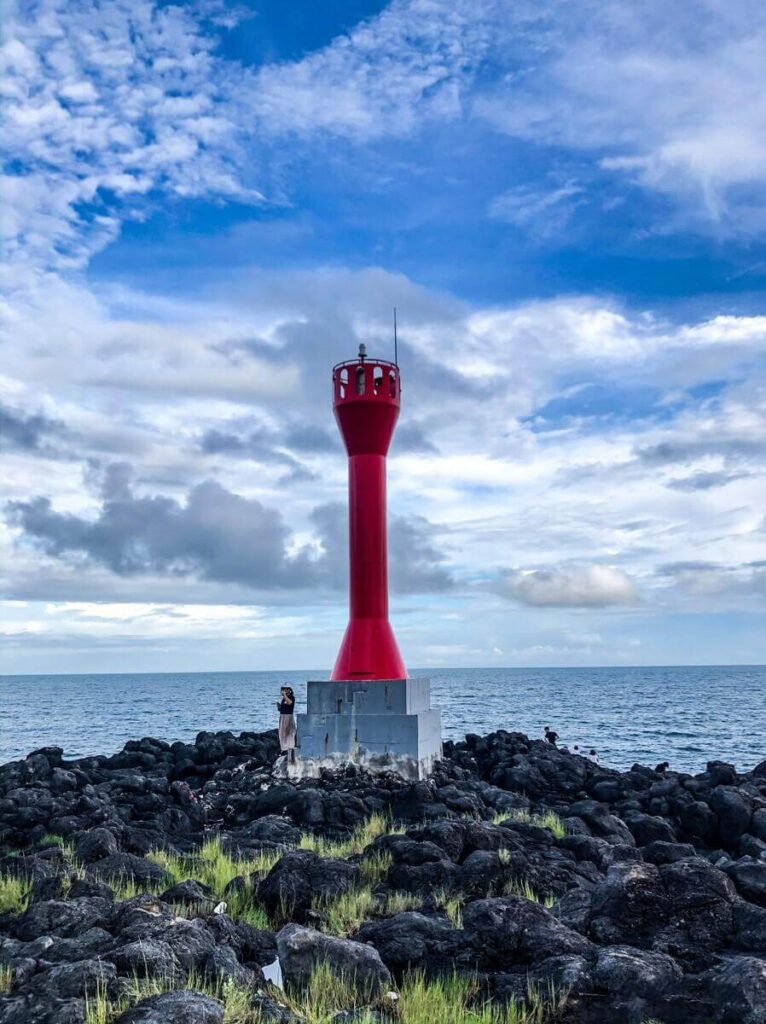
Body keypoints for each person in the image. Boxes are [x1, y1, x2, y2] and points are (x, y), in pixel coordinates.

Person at [276, 686, 297, 762]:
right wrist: (278, 707)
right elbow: (282, 709)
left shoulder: (291, 697)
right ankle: (284, 749)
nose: (286, 691)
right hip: (282, 717)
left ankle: (290, 748)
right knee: (282, 733)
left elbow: (290, 703)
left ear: (290, 690)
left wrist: (284, 695)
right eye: (284, 689)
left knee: (289, 733)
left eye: (287, 689)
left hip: (288, 717)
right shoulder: (283, 698)